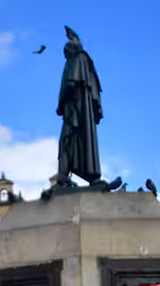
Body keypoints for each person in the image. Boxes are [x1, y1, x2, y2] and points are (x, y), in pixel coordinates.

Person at [55, 25, 103, 186]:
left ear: (71, 50)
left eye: (66, 51)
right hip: (79, 110)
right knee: (74, 141)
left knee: (66, 141)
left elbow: (71, 83)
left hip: (75, 109)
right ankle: (73, 175)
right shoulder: (83, 61)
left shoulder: (78, 59)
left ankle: (63, 175)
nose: (65, 55)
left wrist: (60, 104)